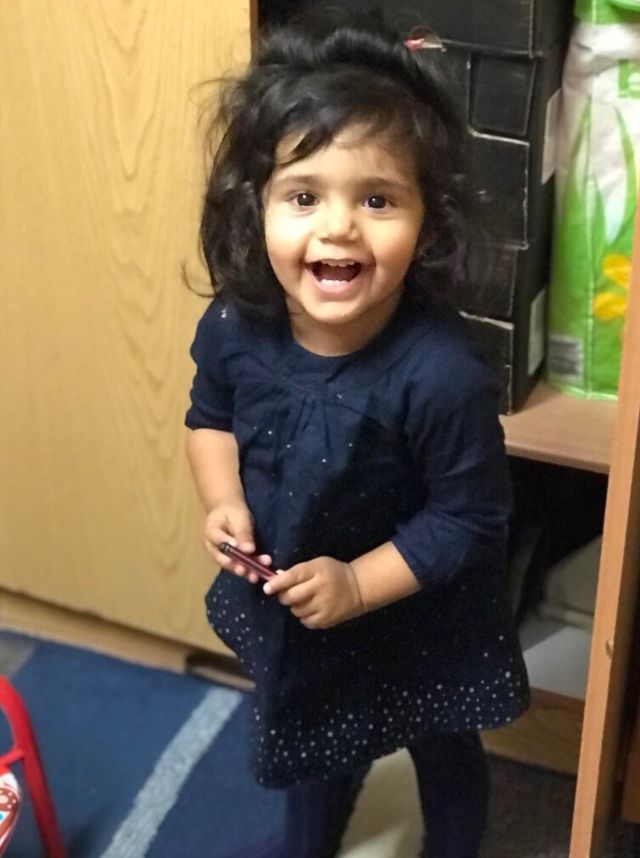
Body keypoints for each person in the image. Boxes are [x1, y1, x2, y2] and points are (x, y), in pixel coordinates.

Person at [185, 10, 529, 858]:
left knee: (444, 746)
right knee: (314, 735)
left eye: (377, 199)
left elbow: (470, 518)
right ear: (256, 207)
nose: (338, 226)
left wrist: (360, 584)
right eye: (304, 196)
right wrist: (223, 500)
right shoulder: (235, 325)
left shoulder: (440, 373)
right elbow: (209, 417)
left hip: (421, 609)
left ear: (427, 221)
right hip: (307, 599)